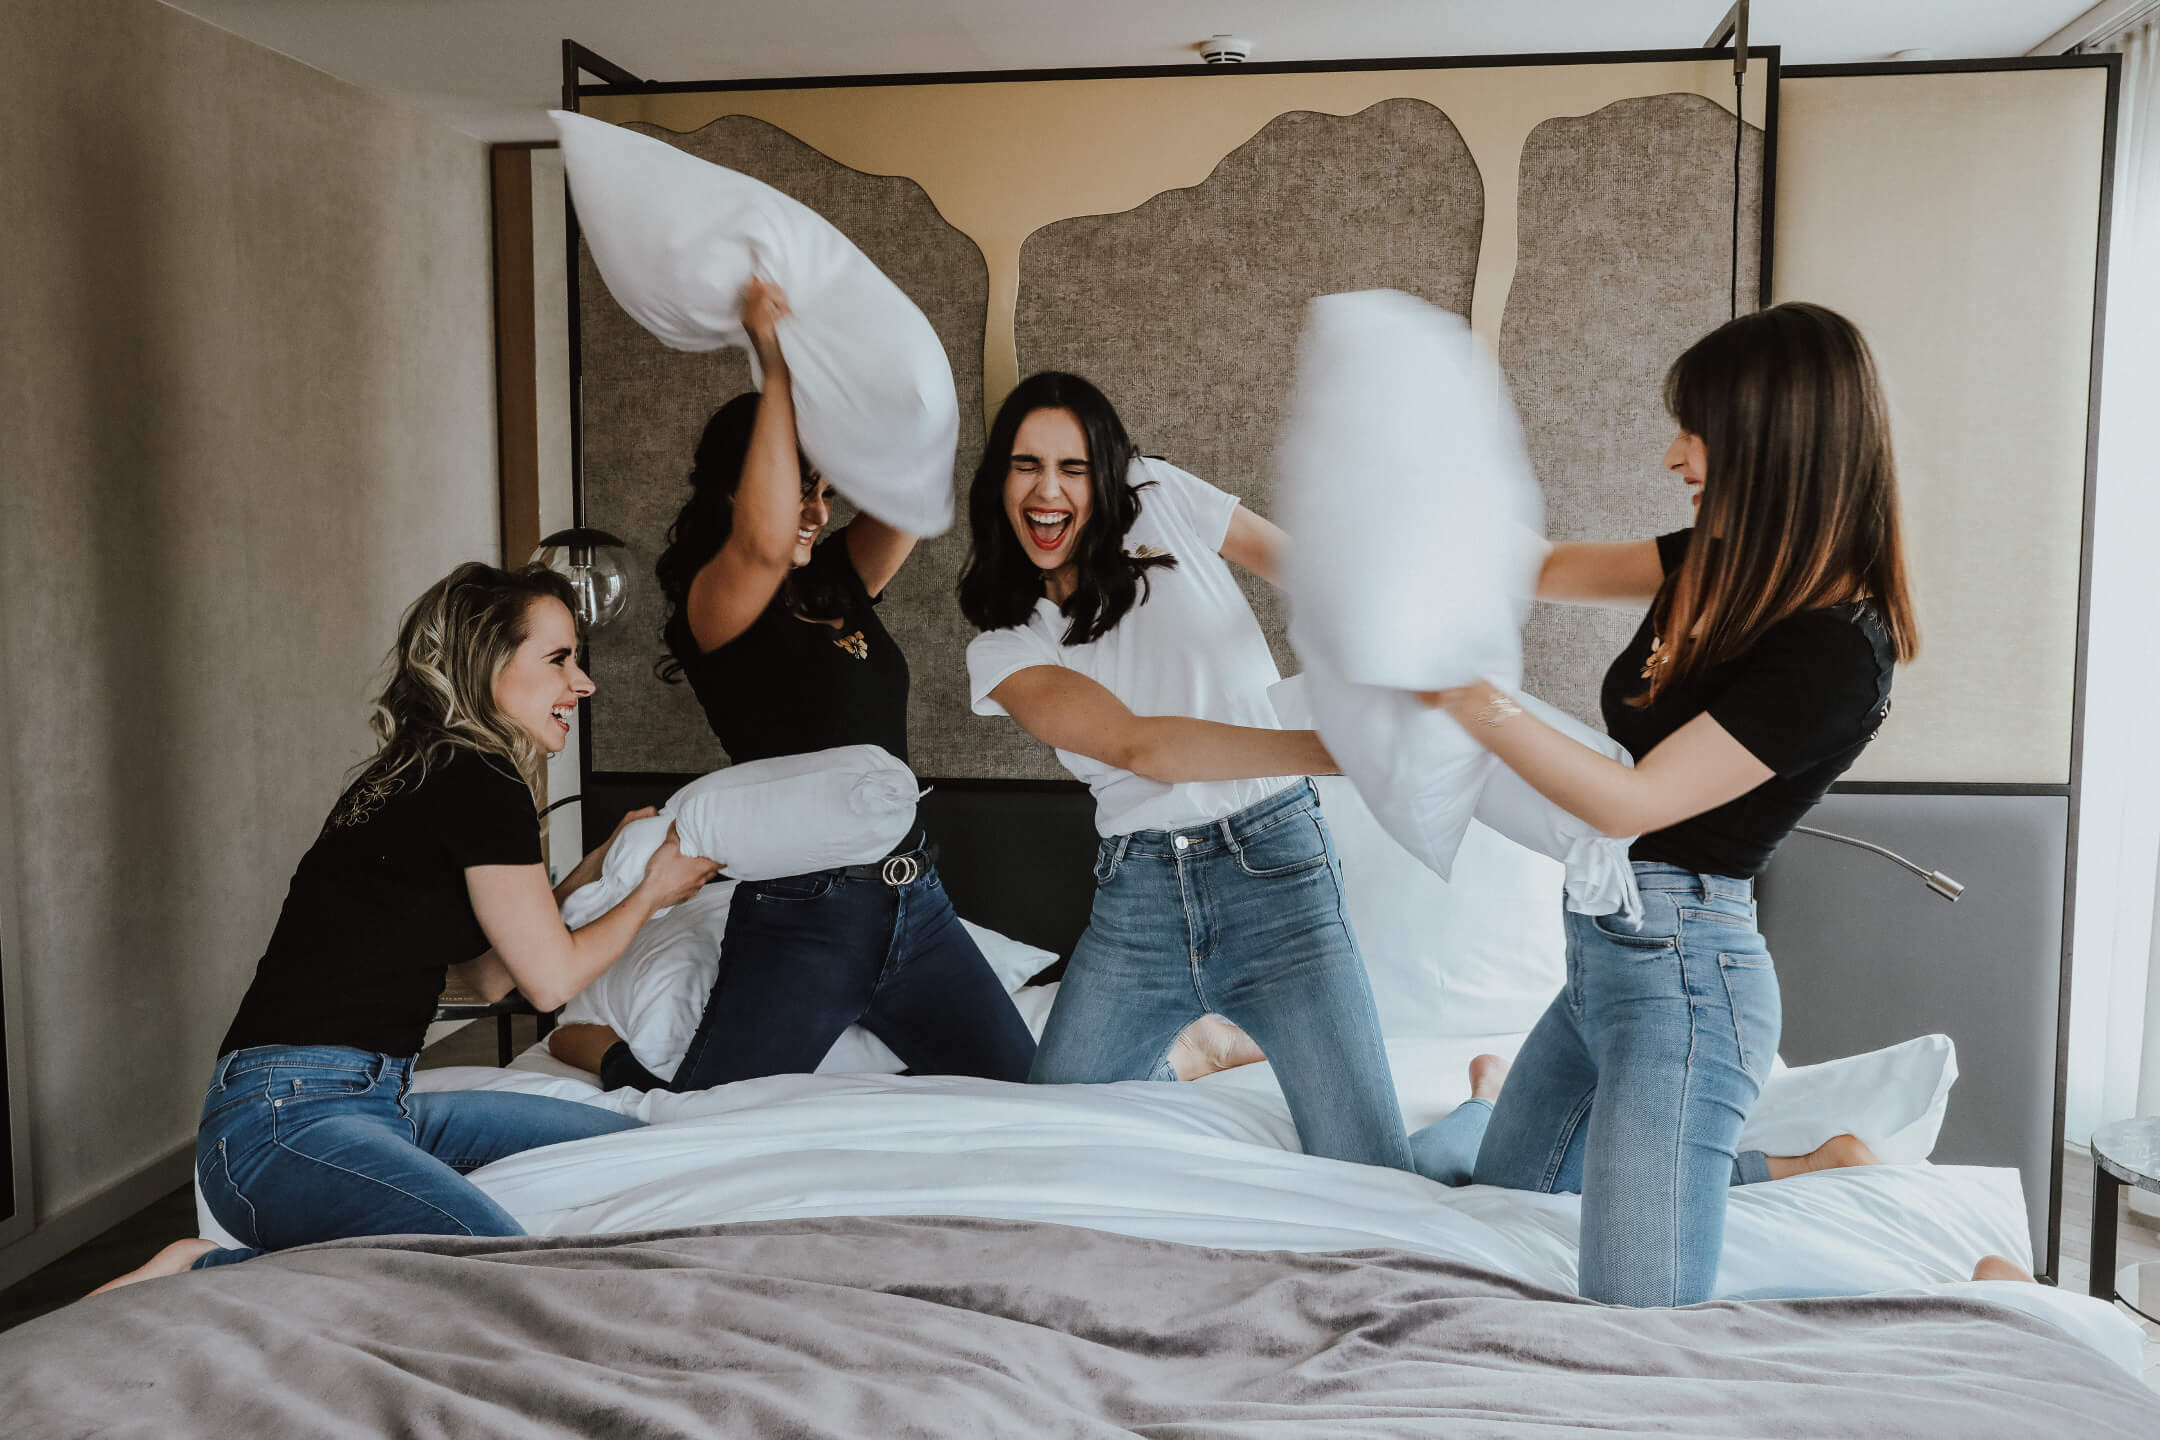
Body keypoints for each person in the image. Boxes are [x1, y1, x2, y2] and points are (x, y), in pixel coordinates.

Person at [1406, 302, 1918, 1307]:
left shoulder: (1835, 650)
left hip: (1685, 984)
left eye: (1699, 431)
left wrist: (1469, 697)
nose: (1676, 455)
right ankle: (1504, 1102)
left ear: (1777, 444)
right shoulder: (1720, 559)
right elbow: (1539, 567)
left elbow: (1632, 800)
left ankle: (1812, 1163)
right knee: (1495, 1186)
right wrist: (1278, 530)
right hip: (1602, 961)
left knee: (1634, 1312)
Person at [97, 563, 718, 1291]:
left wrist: (587, 874)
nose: (583, 684)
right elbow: (551, 980)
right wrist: (651, 892)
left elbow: (492, 977)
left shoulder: (423, 771)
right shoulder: (480, 779)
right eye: (559, 659)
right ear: (488, 663)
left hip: (363, 1103)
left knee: (630, 1145)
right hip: (283, 1123)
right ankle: (211, 1272)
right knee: (503, 1270)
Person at [547, 279, 1035, 1092]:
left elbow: (917, 486)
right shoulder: (716, 603)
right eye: (796, 486)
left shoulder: (840, 579)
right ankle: (598, 1047)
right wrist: (774, 364)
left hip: (915, 902)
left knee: (1023, 1085)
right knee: (707, 1107)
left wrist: (872, 371)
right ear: (731, 492)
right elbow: (769, 541)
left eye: (823, 489)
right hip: (806, 914)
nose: (813, 509)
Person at [959, 371, 1410, 1169]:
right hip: (1139, 905)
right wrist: (1332, 751)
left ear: (1106, 474)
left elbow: (1311, 573)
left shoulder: (1158, 492)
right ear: (1000, 481)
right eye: (1026, 465)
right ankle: (1194, 1055)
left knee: (1375, 1171)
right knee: (1044, 1152)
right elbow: (1139, 747)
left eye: (1073, 467)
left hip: (1278, 875)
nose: (1048, 491)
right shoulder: (1003, 646)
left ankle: (1479, 1100)